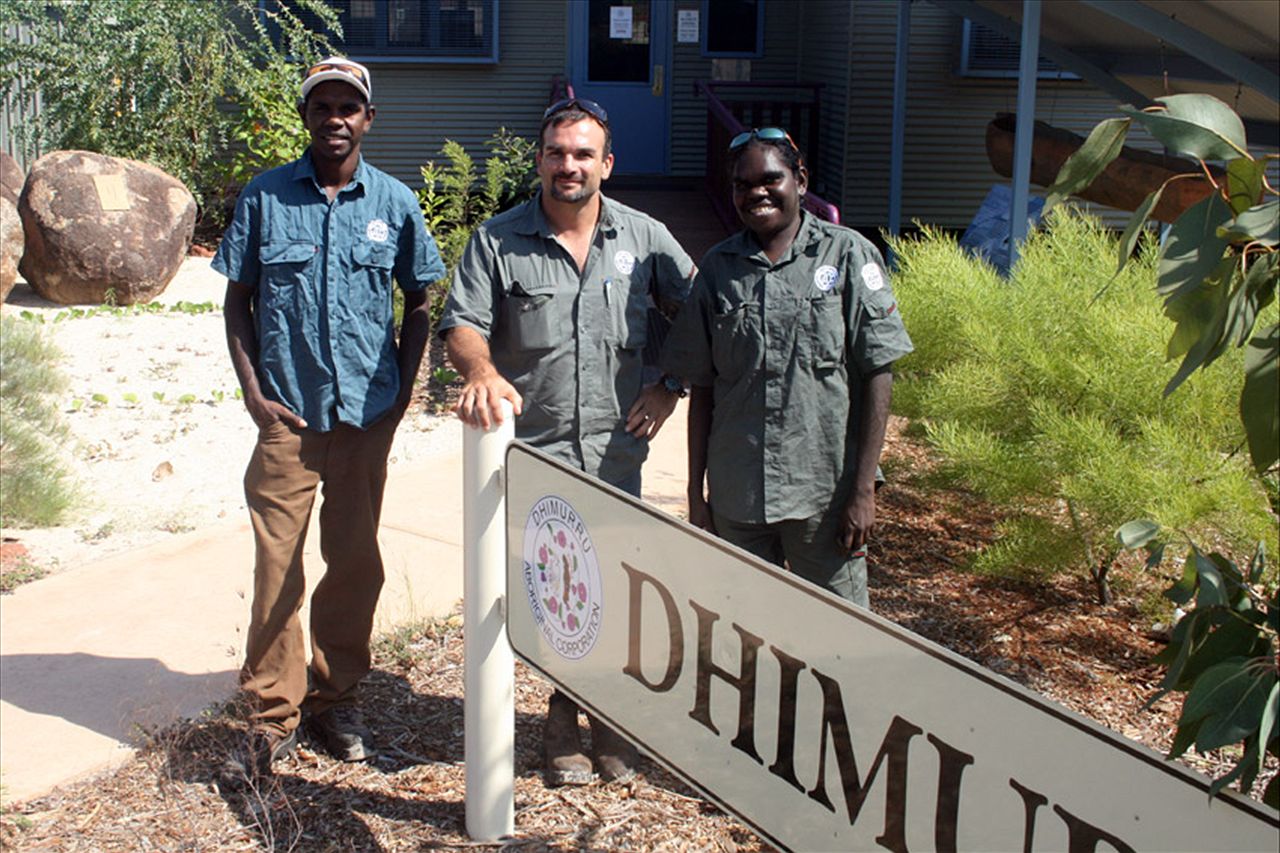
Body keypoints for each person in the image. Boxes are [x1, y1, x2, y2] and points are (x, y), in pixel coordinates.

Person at [438, 97, 695, 785]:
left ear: (607, 164)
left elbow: (698, 311)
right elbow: (461, 324)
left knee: (613, 586)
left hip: (616, 454)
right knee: (555, 591)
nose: (568, 165)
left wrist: (669, 385)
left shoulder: (645, 238)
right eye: (556, 152)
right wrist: (482, 370)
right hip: (536, 454)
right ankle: (562, 719)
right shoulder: (497, 241)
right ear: (540, 160)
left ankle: (596, 716)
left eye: (583, 153)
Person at [214, 57, 445, 777]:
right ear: (306, 116)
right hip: (289, 417)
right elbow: (237, 301)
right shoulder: (266, 197)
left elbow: (420, 301)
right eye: (323, 106)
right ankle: (271, 712)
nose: (335, 118)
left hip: (364, 420)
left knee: (353, 564)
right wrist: (254, 394)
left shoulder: (395, 203)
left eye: (349, 107)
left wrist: (401, 394)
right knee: (276, 566)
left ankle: (336, 696)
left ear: (368, 118)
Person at [661, 128, 913, 609]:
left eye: (770, 179)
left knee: (838, 628)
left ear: (800, 180)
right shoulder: (718, 269)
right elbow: (704, 389)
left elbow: (878, 374)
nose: (756, 192)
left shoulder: (848, 254)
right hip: (738, 496)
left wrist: (864, 491)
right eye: (742, 184)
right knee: (743, 625)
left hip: (823, 494)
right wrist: (696, 493)